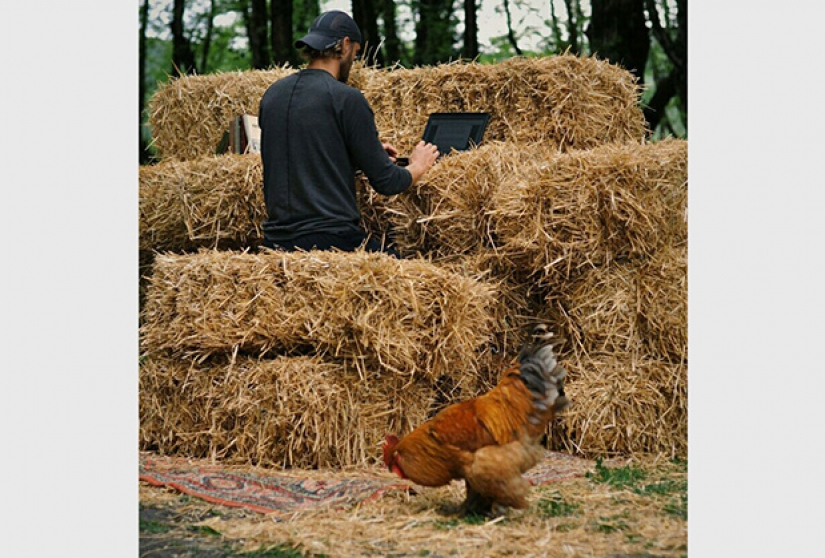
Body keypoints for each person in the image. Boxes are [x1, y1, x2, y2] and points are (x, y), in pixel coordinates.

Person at [258, 10, 439, 257]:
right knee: (414, 270)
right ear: (344, 46)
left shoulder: (272, 95)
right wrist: (419, 165)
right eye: (355, 52)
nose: (354, 60)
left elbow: (301, 154)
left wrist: (360, 155)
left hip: (276, 241)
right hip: (332, 241)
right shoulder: (346, 97)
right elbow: (388, 182)